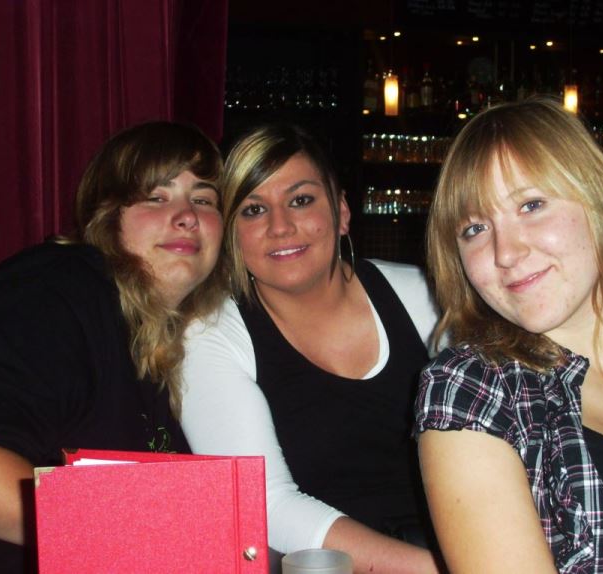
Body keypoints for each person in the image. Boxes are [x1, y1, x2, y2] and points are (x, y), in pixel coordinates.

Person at [0, 120, 225, 573]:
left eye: (203, 199)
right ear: (106, 216)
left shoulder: (163, 336)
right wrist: (154, 539)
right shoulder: (52, 291)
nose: (187, 215)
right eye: (155, 197)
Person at [415, 97, 603, 573]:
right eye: (475, 228)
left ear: (598, 201)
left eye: (532, 205)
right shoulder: (475, 390)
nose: (505, 252)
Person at [180, 123, 441, 573]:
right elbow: (267, 504)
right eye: (253, 210)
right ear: (231, 235)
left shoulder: (425, 296)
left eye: (300, 200)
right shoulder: (210, 333)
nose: (280, 227)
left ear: (341, 211)